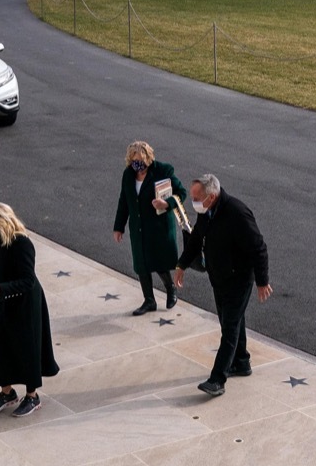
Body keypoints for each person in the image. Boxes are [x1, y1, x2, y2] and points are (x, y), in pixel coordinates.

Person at [173, 174, 271, 397]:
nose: (194, 202)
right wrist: (181, 265)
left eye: (198, 197)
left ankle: (217, 379)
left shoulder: (237, 213)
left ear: (212, 196)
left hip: (239, 278)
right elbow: (197, 239)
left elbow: (259, 248)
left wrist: (262, 281)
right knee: (231, 321)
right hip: (219, 278)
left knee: (229, 328)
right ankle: (241, 361)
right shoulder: (207, 213)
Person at [0, 202, 59, 417]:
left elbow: (28, 281)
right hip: (2, 302)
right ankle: (7, 393)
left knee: (26, 348)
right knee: (1, 346)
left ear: (0, 223)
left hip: (25, 305)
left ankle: (32, 396)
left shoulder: (22, 243)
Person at [113, 141, 188, 316]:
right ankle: (149, 300)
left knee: (159, 261)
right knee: (142, 264)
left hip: (158, 227)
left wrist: (166, 203)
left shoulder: (163, 171)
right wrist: (119, 227)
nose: (137, 165)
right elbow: (124, 201)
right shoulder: (128, 175)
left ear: (148, 158)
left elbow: (181, 192)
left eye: (140, 160)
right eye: (133, 161)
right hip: (139, 228)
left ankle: (170, 290)